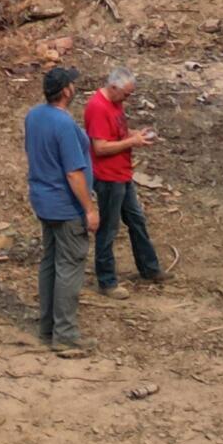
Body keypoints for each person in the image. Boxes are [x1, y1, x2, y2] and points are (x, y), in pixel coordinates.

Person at [22, 64, 99, 354]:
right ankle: (65, 334)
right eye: (73, 84)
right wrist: (89, 209)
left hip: (43, 199)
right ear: (66, 90)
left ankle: (47, 328)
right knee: (69, 266)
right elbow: (73, 173)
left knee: (50, 262)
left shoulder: (34, 116)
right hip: (65, 205)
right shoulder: (63, 125)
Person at [83, 66, 164, 294]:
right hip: (108, 177)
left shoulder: (116, 103)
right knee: (108, 229)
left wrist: (135, 135)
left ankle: (149, 268)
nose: (127, 99)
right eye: (126, 94)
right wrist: (132, 142)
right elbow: (99, 147)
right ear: (113, 87)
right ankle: (107, 281)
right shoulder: (98, 108)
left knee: (136, 220)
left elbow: (116, 135)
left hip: (122, 173)